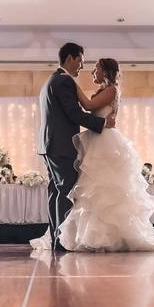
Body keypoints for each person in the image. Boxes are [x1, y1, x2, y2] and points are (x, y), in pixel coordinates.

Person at [33, 55, 154, 253]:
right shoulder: (104, 91)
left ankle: (106, 236)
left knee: (104, 189)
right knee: (90, 191)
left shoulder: (112, 90)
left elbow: (88, 106)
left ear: (105, 71)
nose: (92, 71)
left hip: (104, 141)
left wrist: (71, 82)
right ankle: (82, 234)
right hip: (96, 139)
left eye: (96, 68)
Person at [35, 42, 114, 252]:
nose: (81, 67)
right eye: (80, 61)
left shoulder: (50, 81)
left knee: (55, 192)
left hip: (49, 144)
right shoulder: (63, 81)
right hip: (61, 146)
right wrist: (102, 123)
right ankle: (62, 241)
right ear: (70, 58)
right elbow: (74, 114)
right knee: (66, 192)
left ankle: (56, 239)